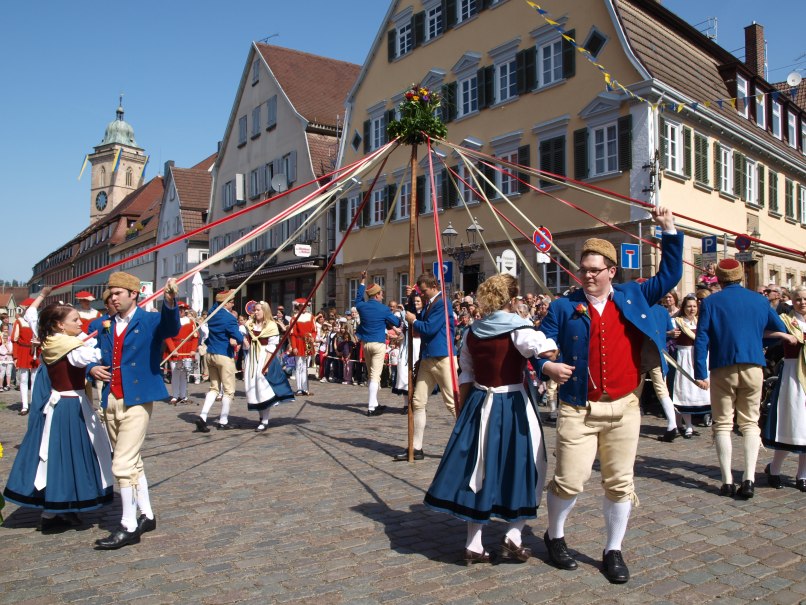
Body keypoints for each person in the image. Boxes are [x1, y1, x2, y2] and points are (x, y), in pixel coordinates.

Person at [535, 207, 682, 584]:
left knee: (620, 482)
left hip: (624, 407)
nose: (587, 276)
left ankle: (613, 549)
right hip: (577, 408)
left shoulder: (633, 295)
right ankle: (555, 535)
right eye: (583, 270)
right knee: (570, 479)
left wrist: (668, 230)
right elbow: (538, 346)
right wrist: (545, 367)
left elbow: (670, 274)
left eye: (594, 270)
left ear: (611, 272)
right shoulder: (563, 306)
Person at [424, 275, 557, 564]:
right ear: (512, 299)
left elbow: (467, 373)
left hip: (478, 403)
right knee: (523, 463)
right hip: (512, 404)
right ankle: (514, 534)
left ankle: (474, 543)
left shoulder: (472, 331)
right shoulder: (519, 329)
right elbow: (546, 350)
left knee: (479, 468)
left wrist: (463, 412)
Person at [86, 271, 180, 549]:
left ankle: (128, 525)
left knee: (121, 463)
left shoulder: (150, 320)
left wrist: (170, 301)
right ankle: (147, 515)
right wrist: (91, 368)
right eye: (110, 294)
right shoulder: (102, 324)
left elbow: (171, 327)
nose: (112, 298)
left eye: (118, 293)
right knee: (133, 462)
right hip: (109, 398)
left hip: (138, 399)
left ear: (134, 294)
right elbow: (88, 355)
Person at [3, 304, 114, 531]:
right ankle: (54, 510)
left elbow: (84, 345)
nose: (79, 323)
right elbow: (95, 354)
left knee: (68, 454)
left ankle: (65, 506)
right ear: (59, 325)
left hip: (70, 403)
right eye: (74, 320)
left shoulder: (58, 341)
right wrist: (108, 336)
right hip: (68, 406)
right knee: (64, 455)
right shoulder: (68, 345)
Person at [694, 260, 794, 499]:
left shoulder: (710, 301)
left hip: (722, 366)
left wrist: (700, 371)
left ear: (718, 277)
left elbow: (702, 338)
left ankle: (727, 481)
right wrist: (758, 342)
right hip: (753, 364)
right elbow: (779, 328)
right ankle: (748, 479)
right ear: (740, 276)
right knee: (750, 423)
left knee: (723, 423)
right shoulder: (759, 300)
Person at [393, 272, 457, 461]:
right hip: (428, 357)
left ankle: (469, 444)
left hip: (443, 357)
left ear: (434, 286)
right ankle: (416, 448)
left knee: (453, 403)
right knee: (417, 402)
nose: (423, 294)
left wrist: (413, 320)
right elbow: (416, 313)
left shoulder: (443, 303)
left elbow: (428, 327)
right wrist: (410, 297)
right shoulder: (430, 303)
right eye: (421, 291)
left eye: (424, 291)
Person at [762, 286, 806, 491]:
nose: (802, 302)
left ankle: (802, 475)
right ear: (792, 301)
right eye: (798, 299)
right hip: (792, 375)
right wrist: (785, 336)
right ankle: (775, 469)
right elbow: (763, 332)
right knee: (790, 423)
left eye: (805, 299)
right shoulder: (787, 320)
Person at [241, 301, 295, 432]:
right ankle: (261, 418)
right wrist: (244, 340)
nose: (256, 312)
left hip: (264, 357)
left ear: (265, 311)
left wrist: (265, 365)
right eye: (255, 310)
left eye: (258, 310)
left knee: (263, 389)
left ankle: (265, 420)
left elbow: (272, 348)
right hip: (252, 358)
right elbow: (245, 341)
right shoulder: (250, 324)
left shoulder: (271, 326)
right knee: (253, 388)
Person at [353, 272, 401, 416]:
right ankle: (371, 407)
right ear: (376, 295)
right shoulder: (384, 309)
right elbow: (397, 322)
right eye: (381, 293)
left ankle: (374, 403)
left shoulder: (362, 306)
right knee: (375, 375)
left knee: (371, 374)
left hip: (366, 344)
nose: (382, 296)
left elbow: (358, 298)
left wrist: (362, 280)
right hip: (379, 344)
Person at [195, 291, 243, 432]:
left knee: (214, 388)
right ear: (226, 302)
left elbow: (214, 306)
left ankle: (203, 417)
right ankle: (223, 421)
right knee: (229, 390)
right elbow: (238, 337)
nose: (233, 304)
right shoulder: (229, 318)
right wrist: (236, 339)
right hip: (223, 355)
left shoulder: (212, 313)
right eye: (232, 301)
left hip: (210, 354)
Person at [672, 295, 711, 438]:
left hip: (700, 357)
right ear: (684, 307)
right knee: (685, 391)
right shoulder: (677, 322)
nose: (692, 309)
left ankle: (688, 422)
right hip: (684, 357)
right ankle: (687, 425)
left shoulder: (700, 322)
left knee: (699, 390)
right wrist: (670, 334)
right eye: (689, 306)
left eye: (694, 306)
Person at [12, 294, 48, 415]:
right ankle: (24, 405)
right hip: (23, 350)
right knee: (23, 379)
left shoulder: (38, 322)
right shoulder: (20, 321)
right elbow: (15, 340)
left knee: (34, 379)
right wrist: (15, 356)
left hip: (35, 351)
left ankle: (34, 403)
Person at [164, 302, 198, 405]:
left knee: (184, 374)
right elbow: (167, 337)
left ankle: (183, 395)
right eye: (178, 309)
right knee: (175, 373)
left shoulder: (191, 322)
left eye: (182, 309)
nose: (181, 311)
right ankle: (175, 396)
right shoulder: (170, 322)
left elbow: (195, 337)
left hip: (187, 349)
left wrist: (193, 349)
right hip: (175, 348)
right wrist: (173, 349)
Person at [288, 298, 316, 396]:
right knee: (299, 365)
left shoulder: (311, 317)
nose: (303, 308)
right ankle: (299, 388)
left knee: (305, 365)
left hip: (307, 342)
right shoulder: (294, 318)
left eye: (304, 306)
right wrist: (294, 346)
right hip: (299, 342)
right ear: (298, 307)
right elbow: (293, 334)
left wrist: (313, 337)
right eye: (301, 306)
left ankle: (305, 388)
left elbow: (314, 330)